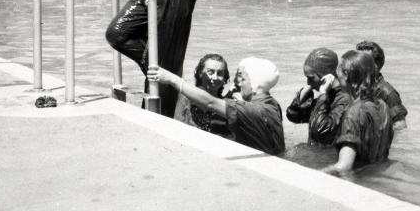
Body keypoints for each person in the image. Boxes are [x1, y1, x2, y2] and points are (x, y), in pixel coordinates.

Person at [147, 57, 285, 155]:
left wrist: (172, 79)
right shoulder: (272, 104)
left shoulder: (248, 109)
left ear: (255, 85)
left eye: (242, 78)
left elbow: (210, 102)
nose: (238, 82)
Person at [323, 50, 394, 175]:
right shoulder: (383, 105)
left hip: (357, 180)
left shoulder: (353, 113)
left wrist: (311, 173)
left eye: (338, 71)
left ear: (346, 74)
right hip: (376, 177)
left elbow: (344, 166)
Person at [286, 48, 353, 145]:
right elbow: (294, 116)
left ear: (326, 77)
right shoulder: (327, 97)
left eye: (311, 78)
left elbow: (321, 131)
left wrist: (322, 95)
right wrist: (302, 95)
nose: (308, 82)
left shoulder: (344, 100)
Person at [356, 40, 408, 130]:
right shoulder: (353, 85)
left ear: (375, 66)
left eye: (362, 60)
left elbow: (400, 126)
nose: (355, 63)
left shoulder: (388, 93)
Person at [188, 53, 233, 138]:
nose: (215, 77)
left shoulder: (226, 105)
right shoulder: (187, 100)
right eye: (210, 72)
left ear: (225, 77)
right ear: (200, 73)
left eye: (219, 73)